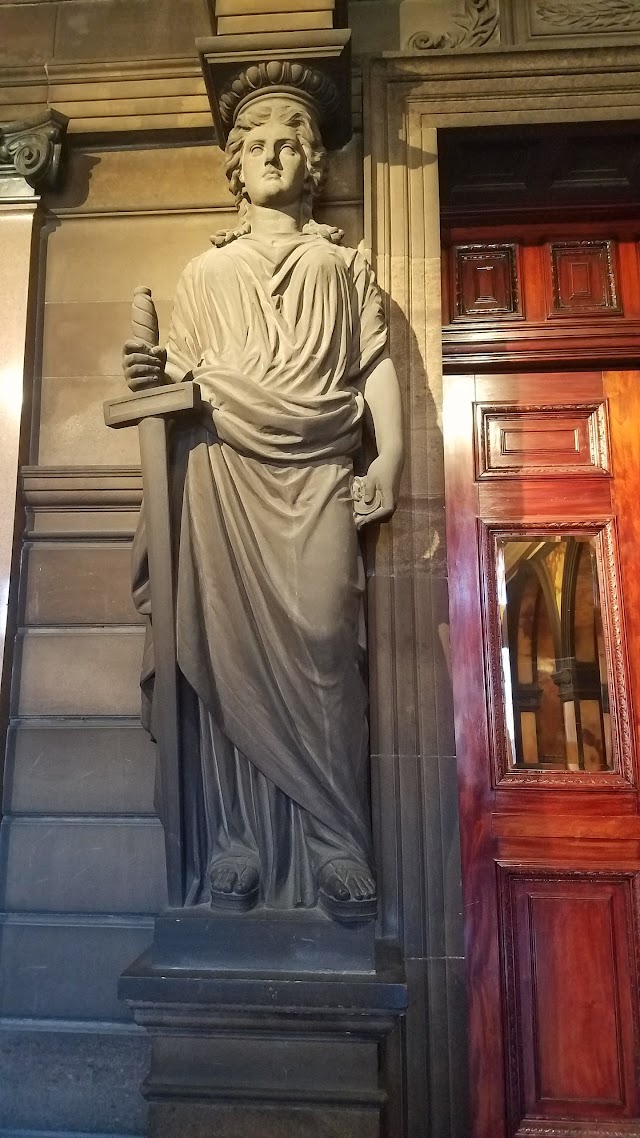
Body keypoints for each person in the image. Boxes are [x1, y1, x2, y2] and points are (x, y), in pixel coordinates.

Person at [122, 93, 403, 920]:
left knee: (323, 641)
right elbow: (178, 382)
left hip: (317, 470)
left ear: (313, 163)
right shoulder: (205, 272)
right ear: (237, 168)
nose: (275, 155)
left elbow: (373, 364)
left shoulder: (344, 263)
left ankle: (335, 837)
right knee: (224, 653)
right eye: (259, 147)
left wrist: (390, 455)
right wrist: (151, 380)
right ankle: (237, 840)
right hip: (222, 474)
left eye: (292, 144)